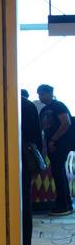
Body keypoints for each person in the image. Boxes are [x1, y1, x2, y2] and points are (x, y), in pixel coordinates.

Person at [38, 84, 74, 216]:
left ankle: (63, 205)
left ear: (50, 94)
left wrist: (53, 140)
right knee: (58, 173)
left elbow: (66, 122)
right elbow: (43, 130)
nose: (40, 97)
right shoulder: (44, 110)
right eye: (39, 94)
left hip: (60, 144)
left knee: (59, 173)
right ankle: (66, 203)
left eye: (43, 94)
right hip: (52, 145)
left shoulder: (58, 105)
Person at [22, 90, 44, 245]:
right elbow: (37, 137)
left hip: (5, 156)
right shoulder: (29, 105)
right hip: (26, 157)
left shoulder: (0, 104)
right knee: (25, 200)